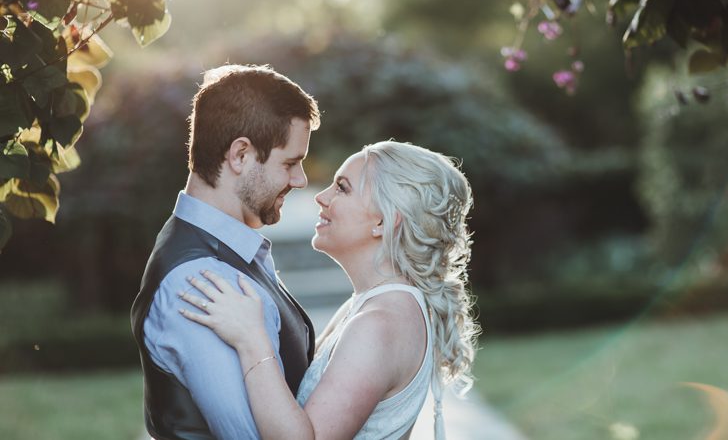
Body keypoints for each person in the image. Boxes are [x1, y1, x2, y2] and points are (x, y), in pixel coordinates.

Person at [180, 140, 480, 440]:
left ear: (383, 221)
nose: (321, 198)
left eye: (343, 188)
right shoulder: (369, 305)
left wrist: (251, 340)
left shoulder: (380, 324)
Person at [130, 64, 321, 439]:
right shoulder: (203, 281)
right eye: (290, 163)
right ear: (240, 155)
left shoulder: (223, 252)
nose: (300, 180)